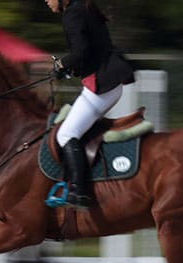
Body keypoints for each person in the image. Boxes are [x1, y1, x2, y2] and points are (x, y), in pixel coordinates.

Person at [45, 0, 136, 210]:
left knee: (65, 134)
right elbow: (90, 51)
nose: (47, 2)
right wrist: (70, 69)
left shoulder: (72, 14)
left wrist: (61, 64)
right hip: (108, 82)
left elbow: (80, 51)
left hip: (103, 86)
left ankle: (80, 191)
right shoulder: (83, 8)